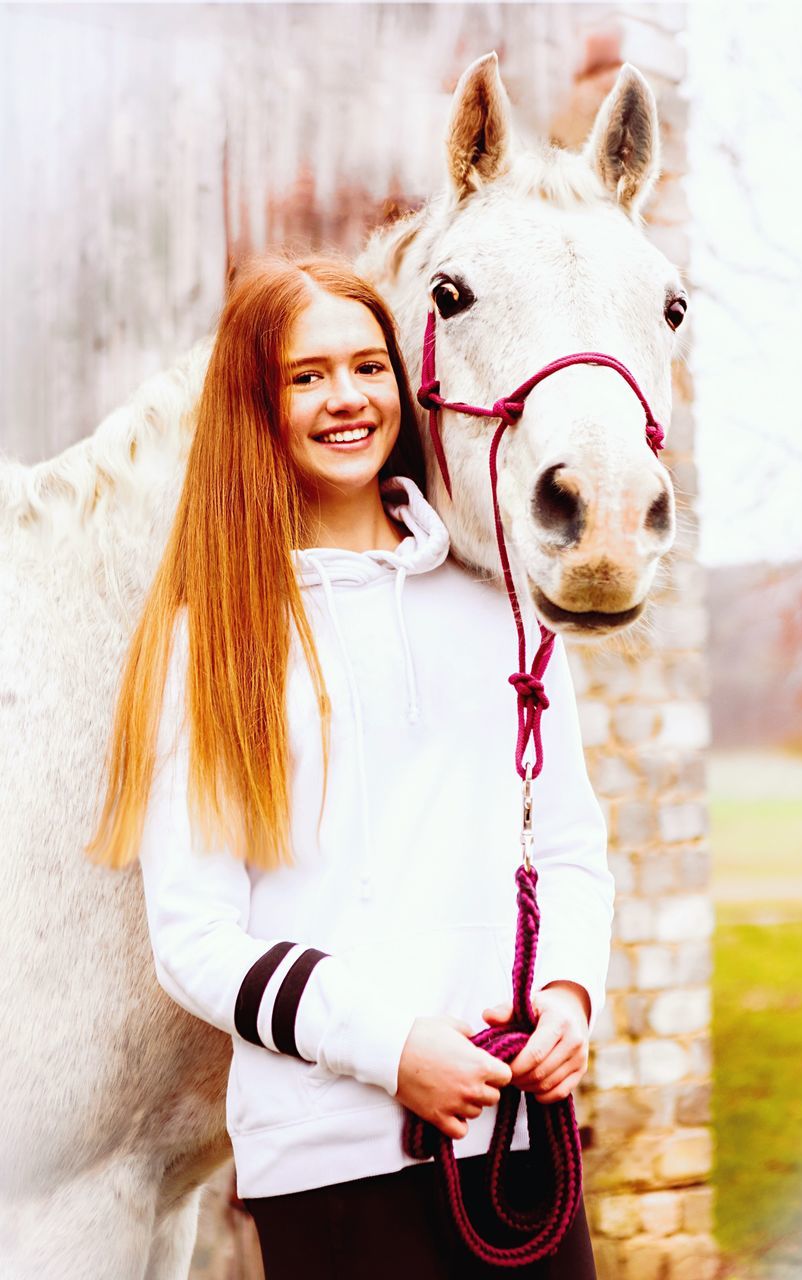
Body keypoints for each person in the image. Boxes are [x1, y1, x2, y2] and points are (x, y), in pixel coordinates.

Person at [87, 251, 614, 1278]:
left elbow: (568, 845)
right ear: (257, 404)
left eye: (368, 366)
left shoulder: (506, 609)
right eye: (307, 374)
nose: (348, 398)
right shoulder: (216, 641)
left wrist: (567, 993)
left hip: (516, 1143)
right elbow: (192, 936)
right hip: (328, 1163)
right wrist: (393, 1046)